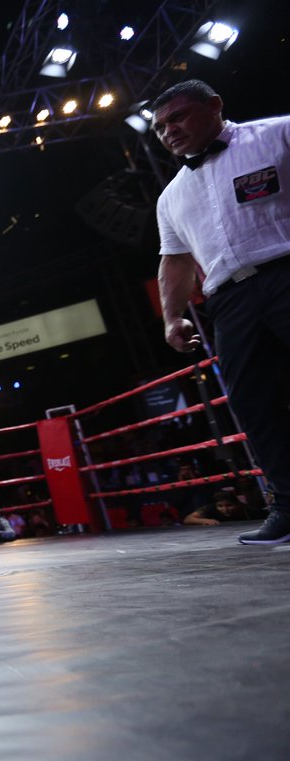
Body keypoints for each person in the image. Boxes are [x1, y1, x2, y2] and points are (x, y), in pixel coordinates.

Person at [153, 79, 290, 545]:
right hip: (227, 300)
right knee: (256, 405)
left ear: (214, 106)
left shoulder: (277, 135)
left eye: (178, 117)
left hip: (285, 270)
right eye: (159, 127)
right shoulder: (170, 197)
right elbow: (174, 260)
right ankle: (289, 505)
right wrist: (172, 317)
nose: (168, 132)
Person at [183, 492, 262, 527]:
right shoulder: (211, 508)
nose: (225, 509)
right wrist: (205, 520)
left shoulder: (248, 510)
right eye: (220, 506)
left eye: (229, 505)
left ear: (238, 505)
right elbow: (188, 519)